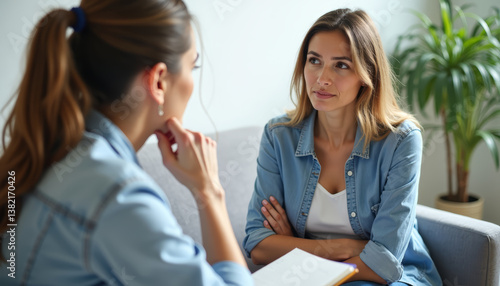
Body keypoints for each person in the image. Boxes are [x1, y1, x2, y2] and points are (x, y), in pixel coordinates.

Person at [0, 0, 252, 285]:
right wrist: (209, 191)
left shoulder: (48, 148)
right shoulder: (117, 194)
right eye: (192, 66)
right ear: (159, 81)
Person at [243, 8, 441, 286]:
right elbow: (258, 245)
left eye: (341, 65)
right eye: (314, 61)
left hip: (396, 278)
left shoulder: (401, 141)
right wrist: (337, 248)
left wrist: (293, 247)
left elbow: (383, 263)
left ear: (366, 73)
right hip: (308, 277)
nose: (322, 78)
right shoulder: (279, 137)